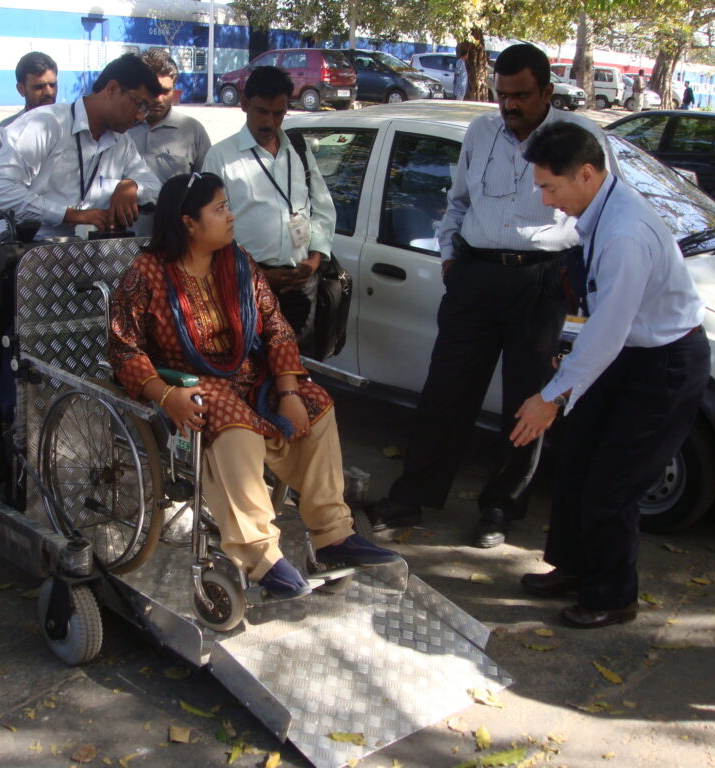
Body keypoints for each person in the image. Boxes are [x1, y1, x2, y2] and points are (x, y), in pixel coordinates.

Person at [109, 173, 398, 598]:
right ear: (189, 223)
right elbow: (123, 349)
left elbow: (277, 329)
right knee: (231, 420)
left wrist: (288, 392)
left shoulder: (239, 262)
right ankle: (260, 556)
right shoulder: (146, 274)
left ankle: (332, 536)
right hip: (187, 387)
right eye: (220, 208)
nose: (231, 216)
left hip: (252, 380)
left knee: (317, 403)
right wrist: (166, 395)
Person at [368, 43, 609, 549]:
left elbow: (600, 213)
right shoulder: (481, 131)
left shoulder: (580, 137)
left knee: (528, 399)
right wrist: (452, 259)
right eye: (502, 95)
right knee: (445, 392)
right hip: (475, 276)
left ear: (546, 91)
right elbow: (455, 203)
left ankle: (500, 507)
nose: (509, 105)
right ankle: (411, 496)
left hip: (540, 280)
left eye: (521, 96)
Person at [514, 122, 709, 629]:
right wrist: (570, 364)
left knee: (612, 483)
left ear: (585, 174)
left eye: (550, 187)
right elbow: (598, 319)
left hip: (662, 364)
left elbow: (609, 328)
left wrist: (551, 396)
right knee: (576, 462)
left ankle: (613, 595)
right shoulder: (598, 211)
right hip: (624, 354)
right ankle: (576, 567)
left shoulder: (624, 233)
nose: (547, 200)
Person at [202, 66, 336, 350]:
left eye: (278, 114)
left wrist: (313, 263)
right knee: (252, 372)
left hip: (301, 285)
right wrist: (255, 276)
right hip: (246, 288)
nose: (270, 122)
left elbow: (323, 210)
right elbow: (209, 235)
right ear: (244, 104)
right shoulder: (221, 157)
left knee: (298, 371)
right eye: (262, 111)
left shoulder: (298, 149)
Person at [0, 53, 164, 240]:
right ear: (112, 89)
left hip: (87, 256)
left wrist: (132, 186)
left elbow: (156, 189)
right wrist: (69, 215)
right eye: (140, 104)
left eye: (146, 109)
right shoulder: (46, 124)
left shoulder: (122, 142)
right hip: (28, 252)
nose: (141, 117)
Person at [128, 48, 211, 236]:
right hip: (125, 238)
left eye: (165, 91)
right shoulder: (121, 128)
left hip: (174, 238)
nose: (158, 98)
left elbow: (206, 189)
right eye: (153, 90)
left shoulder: (191, 131)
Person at [0, 51, 58, 170]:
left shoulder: (70, 129)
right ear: (21, 89)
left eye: (53, 85)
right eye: (39, 87)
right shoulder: (2, 134)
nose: (49, 92)